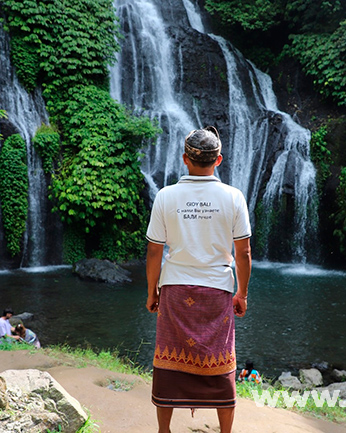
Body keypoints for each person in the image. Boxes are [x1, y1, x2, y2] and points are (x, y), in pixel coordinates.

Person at [145, 126, 252, 433]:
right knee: (221, 360)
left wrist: (152, 291)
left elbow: (154, 252)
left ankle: (164, 430)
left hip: (175, 290)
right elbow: (242, 253)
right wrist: (241, 293)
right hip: (217, 291)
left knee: (168, 358)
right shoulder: (233, 197)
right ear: (218, 160)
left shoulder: (166, 196)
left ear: (184, 159)